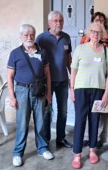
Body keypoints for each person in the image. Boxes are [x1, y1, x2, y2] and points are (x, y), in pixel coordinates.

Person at [7, 24, 54, 167]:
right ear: (21, 37)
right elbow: (9, 76)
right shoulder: (15, 53)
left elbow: (47, 75)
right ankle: (17, 153)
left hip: (39, 90)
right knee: (22, 124)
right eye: (26, 35)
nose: (29, 37)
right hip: (21, 91)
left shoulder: (43, 52)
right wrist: (12, 97)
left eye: (32, 34)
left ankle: (42, 148)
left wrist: (48, 95)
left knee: (40, 122)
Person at [70, 22, 108, 169]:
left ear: (102, 35)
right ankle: (77, 153)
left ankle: (93, 149)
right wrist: (72, 89)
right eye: (93, 31)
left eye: (98, 32)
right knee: (80, 120)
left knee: (95, 119)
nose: (95, 34)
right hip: (81, 89)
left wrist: (106, 93)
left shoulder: (106, 51)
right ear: (89, 33)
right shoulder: (80, 49)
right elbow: (73, 70)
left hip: (98, 90)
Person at [36, 11, 73, 149]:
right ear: (49, 22)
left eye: (61, 21)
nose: (59, 23)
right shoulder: (41, 38)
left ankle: (61, 138)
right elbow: (36, 60)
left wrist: (72, 77)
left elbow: (69, 59)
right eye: (56, 20)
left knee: (63, 111)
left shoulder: (66, 38)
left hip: (63, 81)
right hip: (46, 83)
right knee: (47, 112)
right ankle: (45, 140)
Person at [80, 11, 108, 149]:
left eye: (101, 20)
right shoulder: (85, 38)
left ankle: (97, 137)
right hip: (86, 81)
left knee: (99, 111)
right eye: (96, 19)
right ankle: (86, 137)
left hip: (102, 79)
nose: (99, 21)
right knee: (86, 111)